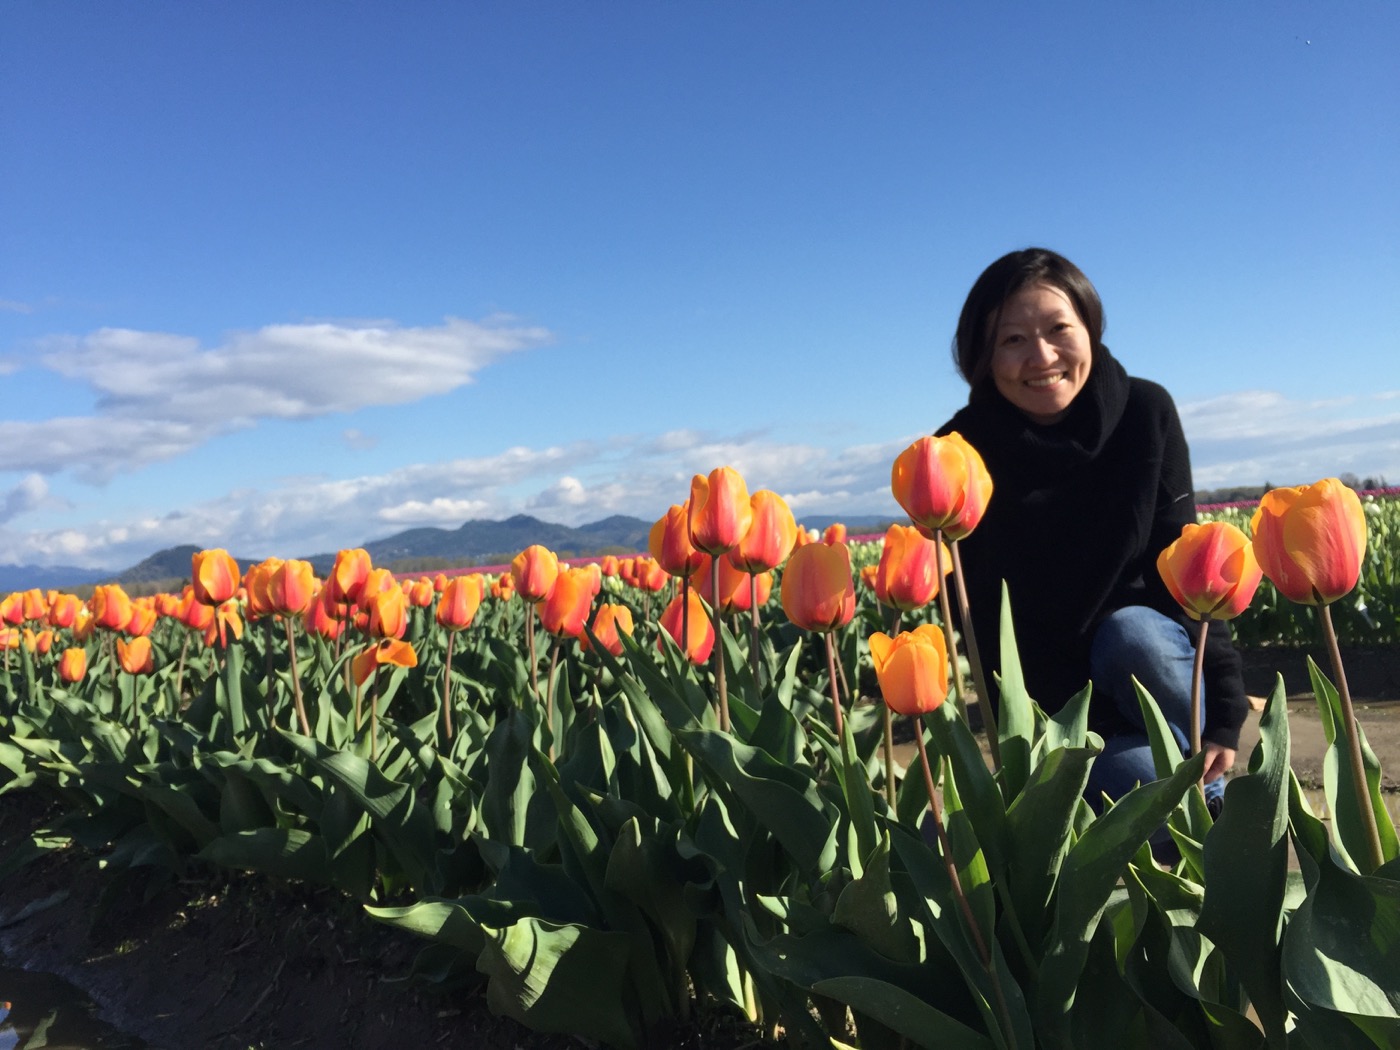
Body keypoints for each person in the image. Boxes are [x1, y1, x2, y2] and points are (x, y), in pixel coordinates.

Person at [936, 247, 1247, 809]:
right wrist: (1023, 735)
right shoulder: (957, 456)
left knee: (1133, 635)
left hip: (1150, 670)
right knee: (1151, 796)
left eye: (1059, 328)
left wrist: (1223, 716)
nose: (1042, 356)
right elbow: (972, 612)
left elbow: (1194, 569)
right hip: (1055, 701)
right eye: (1012, 340)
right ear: (981, 354)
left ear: (1091, 329)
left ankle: (1206, 777)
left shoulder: (1145, 414)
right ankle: (1202, 806)